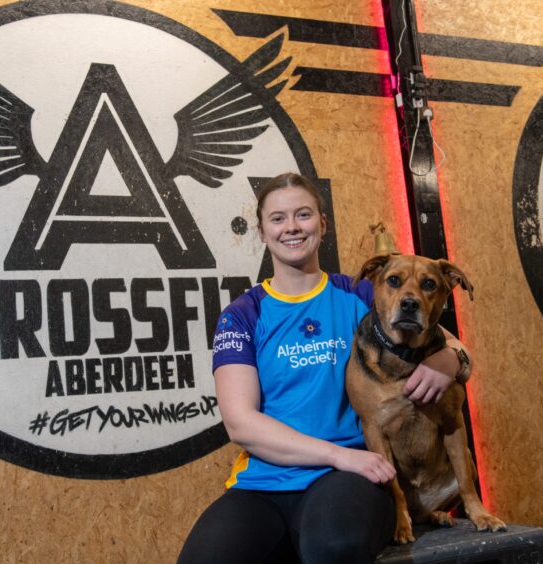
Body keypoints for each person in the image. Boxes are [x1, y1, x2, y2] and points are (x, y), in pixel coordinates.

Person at [178, 172, 470, 564]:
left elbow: (452, 346)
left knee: (334, 548)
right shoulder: (242, 315)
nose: (292, 227)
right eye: (278, 218)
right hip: (268, 481)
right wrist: (336, 454)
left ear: (323, 224)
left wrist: (448, 361)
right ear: (262, 231)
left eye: (303, 214)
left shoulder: (361, 293)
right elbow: (240, 424)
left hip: (353, 477)